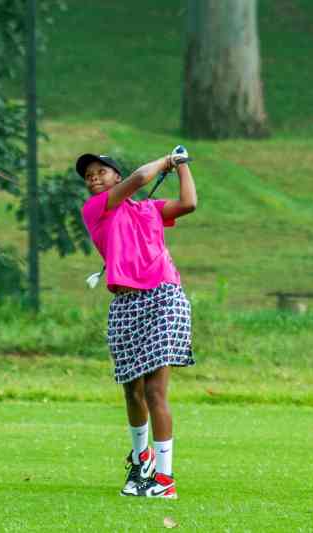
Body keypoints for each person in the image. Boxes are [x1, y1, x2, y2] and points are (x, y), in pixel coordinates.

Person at [77, 147, 197, 499]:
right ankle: (141, 458)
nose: (94, 178)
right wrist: (166, 161)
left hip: (164, 297)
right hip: (125, 303)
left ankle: (164, 480)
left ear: (115, 175)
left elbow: (188, 204)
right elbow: (140, 179)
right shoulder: (95, 208)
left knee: (155, 391)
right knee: (132, 391)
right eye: (88, 176)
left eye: (101, 171)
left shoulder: (150, 209)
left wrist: (182, 166)